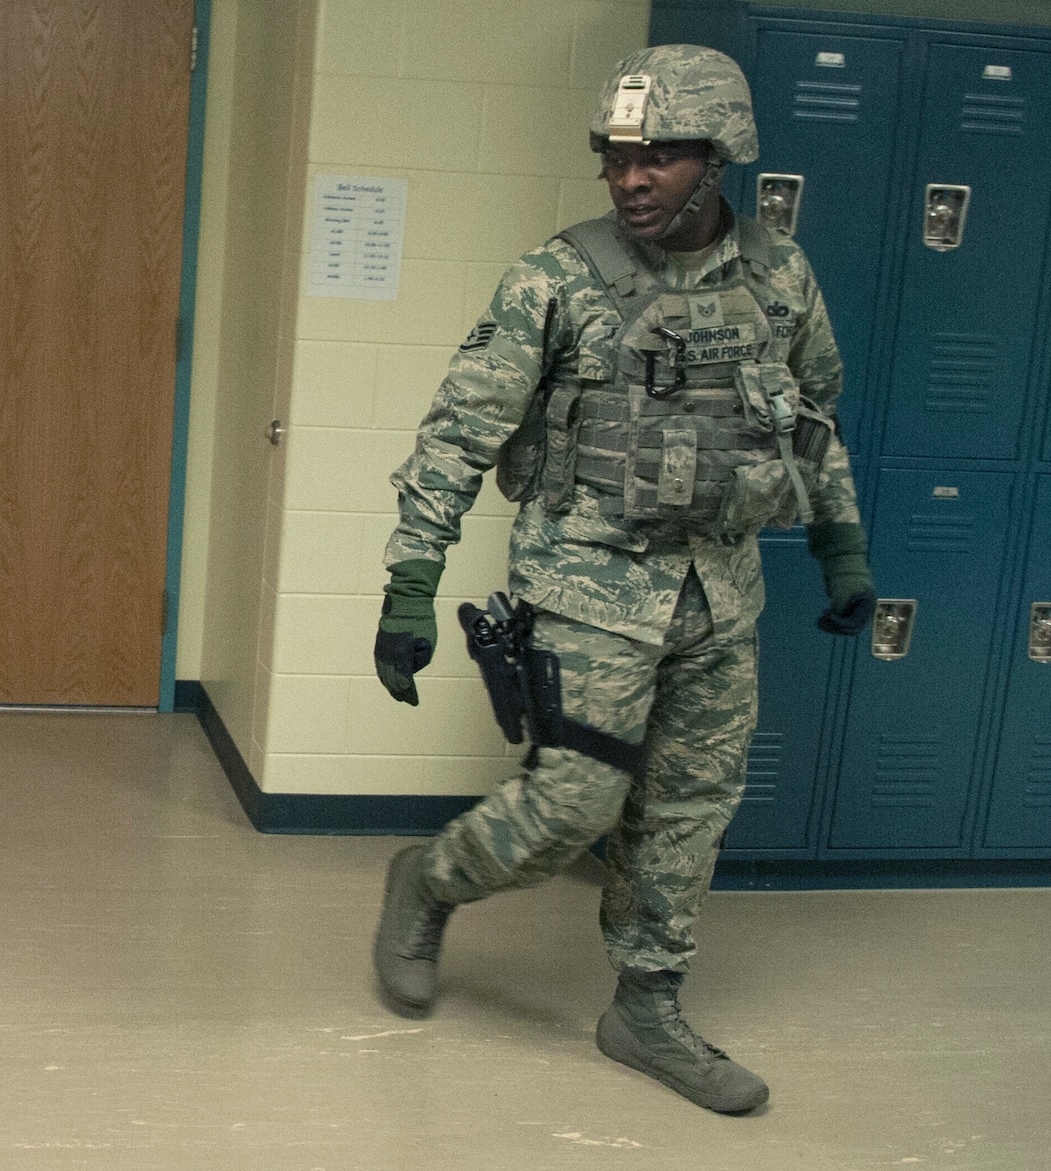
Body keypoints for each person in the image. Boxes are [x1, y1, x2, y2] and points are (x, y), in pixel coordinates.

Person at [369, 45, 877, 1115]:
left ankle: (644, 1006)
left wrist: (842, 549)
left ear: (720, 156)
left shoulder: (779, 277)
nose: (631, 179)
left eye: (660, 157)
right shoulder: (556, 279)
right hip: (586, 588)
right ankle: (429, 880)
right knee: (570, 808)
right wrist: (408, 586)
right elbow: (457, 434)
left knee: (689, 808)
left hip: (720, 592)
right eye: (616, 158)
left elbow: (817, 422)